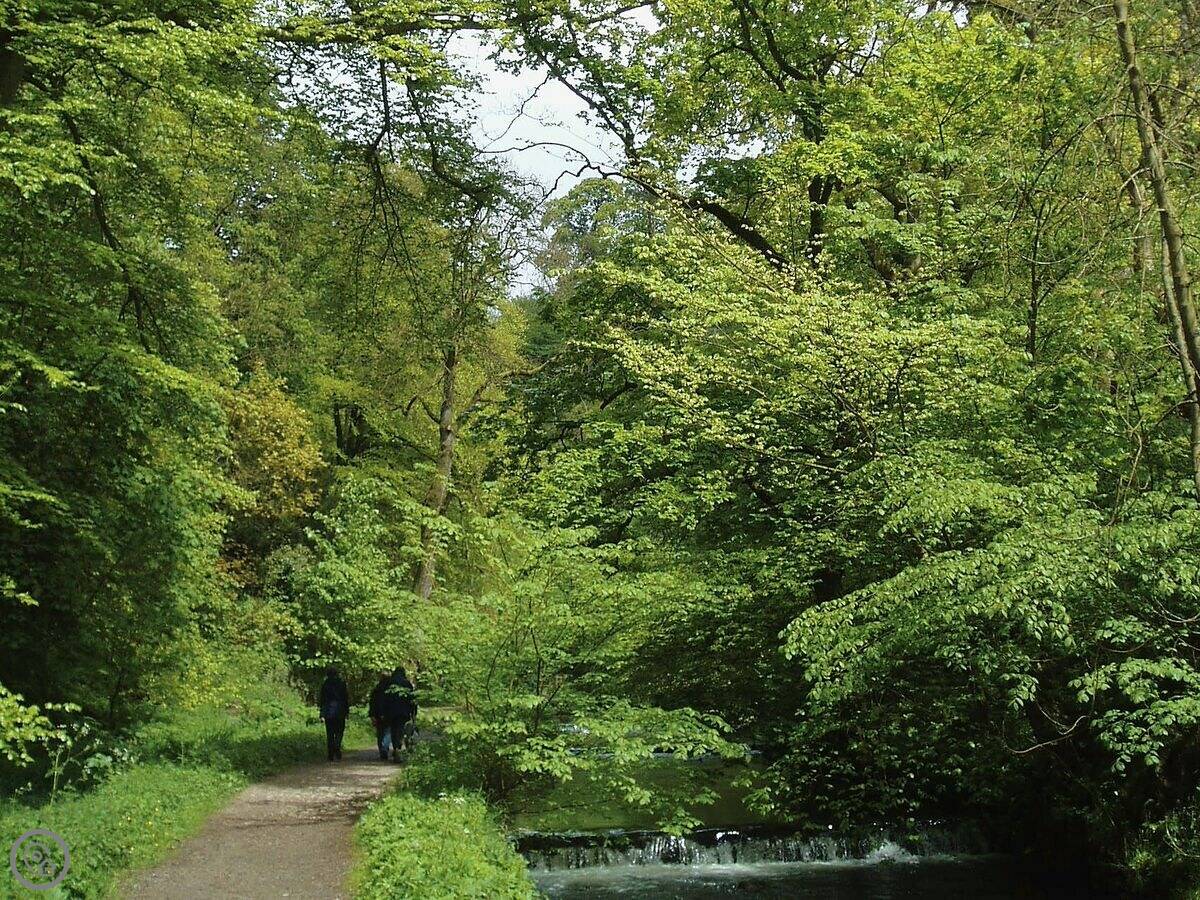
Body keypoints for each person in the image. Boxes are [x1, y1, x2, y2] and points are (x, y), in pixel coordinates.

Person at [318, 666, 350, 762]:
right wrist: (347, 712)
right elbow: (345, 698)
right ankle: (337, 746)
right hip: (340, 710)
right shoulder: (342, 683)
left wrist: (322, 714)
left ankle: (330, 754)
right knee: (339, 732)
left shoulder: (325, 684)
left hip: (328, 711)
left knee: (330, 733)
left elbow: (322, 700)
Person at [384, 666, 416, 760]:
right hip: (404, 711)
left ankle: (395, 747)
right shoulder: (407, 683)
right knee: (401, 730)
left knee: (393, 730)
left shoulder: (390, 683)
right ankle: (398, 748)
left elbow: (385, 699)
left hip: (391, 712)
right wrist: (414, 712)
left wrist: (384, 711)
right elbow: (412, 699)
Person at [368, 670, 393, 761]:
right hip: (389, 714)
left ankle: (382, 750)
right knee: (387, 732)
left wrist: (372, 714)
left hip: (377, 714)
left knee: (380, 733)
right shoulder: (391, 690)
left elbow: (372, 703)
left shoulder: (376, 689)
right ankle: (384, 748)